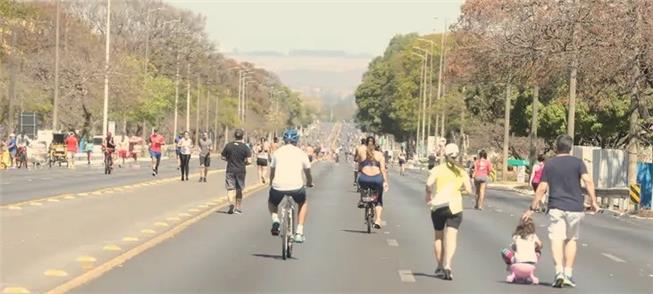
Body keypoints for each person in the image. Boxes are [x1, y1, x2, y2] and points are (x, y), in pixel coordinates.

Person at [522, 134, 599, 288]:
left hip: (556, 206)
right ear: (570, 148)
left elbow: (542, 187)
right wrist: (594, 201)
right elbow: (588, 180)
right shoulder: (578, 163)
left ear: (556, 147)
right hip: (575, 207)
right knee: (571, 239)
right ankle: (568, 273)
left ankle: (558, 272)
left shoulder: (550, 164)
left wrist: (532, 208)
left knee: (557, 239)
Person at [425, 143, 472, 281]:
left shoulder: (438, 169)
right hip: (455, 207)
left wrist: (428, 195)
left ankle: (439, 266)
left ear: (444, 155)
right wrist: (460, 191)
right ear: (458, 155)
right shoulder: (462, 171)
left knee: (438, 236)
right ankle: (448, 265)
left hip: (438, 206)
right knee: (451, 238)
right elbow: (469, 190)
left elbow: (428, 184)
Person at [268, 129, 313, 243]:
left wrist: (271, 182)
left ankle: (275, 220)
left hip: (278, 186)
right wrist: (309, 182)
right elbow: (308, 173)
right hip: (296, 187)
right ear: (296, 140)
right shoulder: (301, 153)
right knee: (302, 203)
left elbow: (272, 172)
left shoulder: (277, 152)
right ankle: (299, 232)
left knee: (272, 202)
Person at [356, 136, 389, 229]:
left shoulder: (361, 153)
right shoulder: (380, 155)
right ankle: (378, 219)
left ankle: (363, 199)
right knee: (379, 199)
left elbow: (359, 167)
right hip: (377, 180)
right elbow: (383, 169)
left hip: (364, 179)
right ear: (375, 144)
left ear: (366, 144)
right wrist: (385, 182)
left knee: (361, 184)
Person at [503, 217, 543, 284]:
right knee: (538, 251)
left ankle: (510, 267)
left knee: (504, 251)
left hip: (518, 264)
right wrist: (535, 247)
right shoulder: (533, 236)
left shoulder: (516, 236)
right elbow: (540, 245)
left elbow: (514, 247)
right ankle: (530, 275)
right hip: (531, 265)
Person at [221, 129, 252, 214]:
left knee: (230, 189)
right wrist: (243, 163)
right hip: (241, 171)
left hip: (230, 170)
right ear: (242, 136)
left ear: (234, 136)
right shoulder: (245, 147)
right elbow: (249, 161)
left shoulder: (229, 146)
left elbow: (222, 157)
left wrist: (229, 159)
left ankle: (231, 204)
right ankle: (238, 207)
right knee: (239, 189)